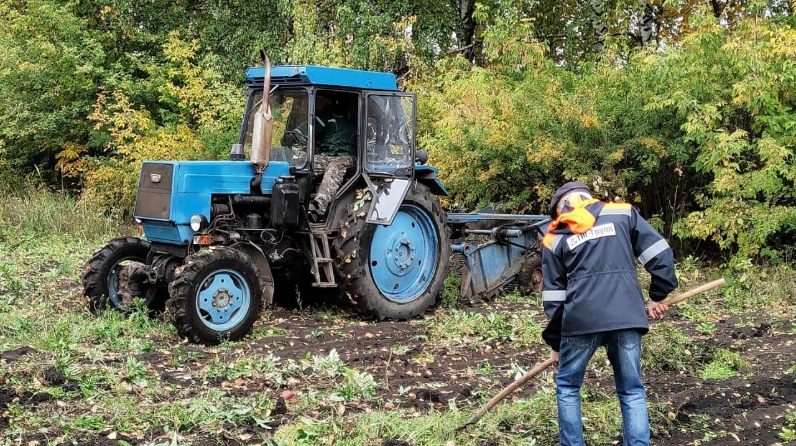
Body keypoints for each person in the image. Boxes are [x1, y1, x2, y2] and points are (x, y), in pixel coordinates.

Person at [540, 181, 678, 446]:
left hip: (580, 322)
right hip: (626, 317)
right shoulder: (622, 213)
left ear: (561, 207)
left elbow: (555, 299)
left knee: (568, 387)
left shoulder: (554, 238)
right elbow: (659, 253)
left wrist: (556, 344)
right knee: (631, 390)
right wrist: (658, 294)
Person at [308, 93, 358, 222]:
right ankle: (296, 202)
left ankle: (318, 208)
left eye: (354, 99)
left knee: (334, 167)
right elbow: (306, 130)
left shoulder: (362, 120)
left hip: (349, 157)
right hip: (327, 155)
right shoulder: (329, 115)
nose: (351, 102)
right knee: (307, 163)